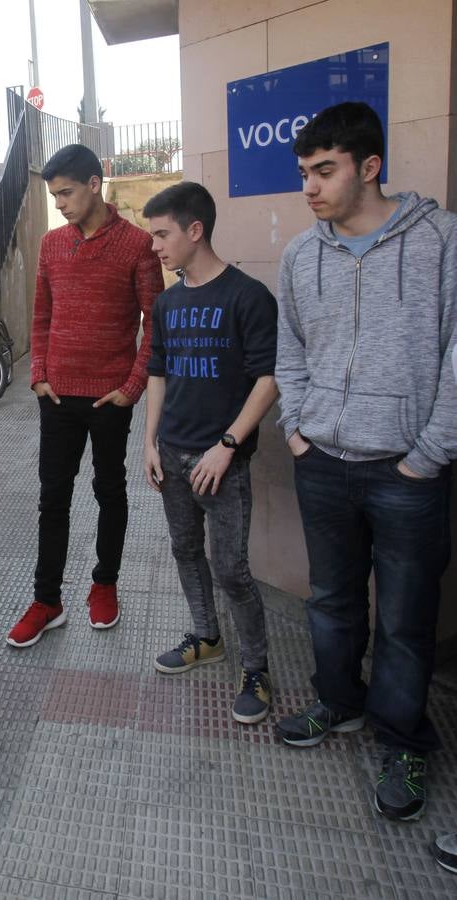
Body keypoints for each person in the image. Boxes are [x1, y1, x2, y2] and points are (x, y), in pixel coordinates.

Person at [274, 101, 457, 821]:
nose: (310, 188)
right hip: (321, 460)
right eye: (304, 173)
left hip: (406, 470)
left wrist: (429, 454)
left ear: (370, 166)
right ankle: (338, 704)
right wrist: (296, 430)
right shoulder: (299, 255)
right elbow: (288, 350)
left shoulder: (441, 241)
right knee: (332, 603)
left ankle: (402, 738)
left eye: (325, 170)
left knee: (407, 623)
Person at [7, 144, 163, 648]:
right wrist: (38, 374)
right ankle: (46, 600)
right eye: (55, 196)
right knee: (52, 499)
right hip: (56, 398)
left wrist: (132, 387)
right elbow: (42, 315)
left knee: (109, 491)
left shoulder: (137, 245)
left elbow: (154, 323)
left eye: (67, 193)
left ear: (95, 184)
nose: (61, 204)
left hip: (108, 400)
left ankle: (104, 583)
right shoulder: (53, 244)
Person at [142, 182, 278, 724]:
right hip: (171, 454)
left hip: (221, 462)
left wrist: (227, 446)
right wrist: (149, 443)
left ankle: (257, 668)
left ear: (194, 231)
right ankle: (206, 636)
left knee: (232, 570)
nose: (155, 246)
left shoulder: (247, 296)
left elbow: (269, 380)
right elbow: (157, 373)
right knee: (184, 551)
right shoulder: (168, 301)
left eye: (162, 234)